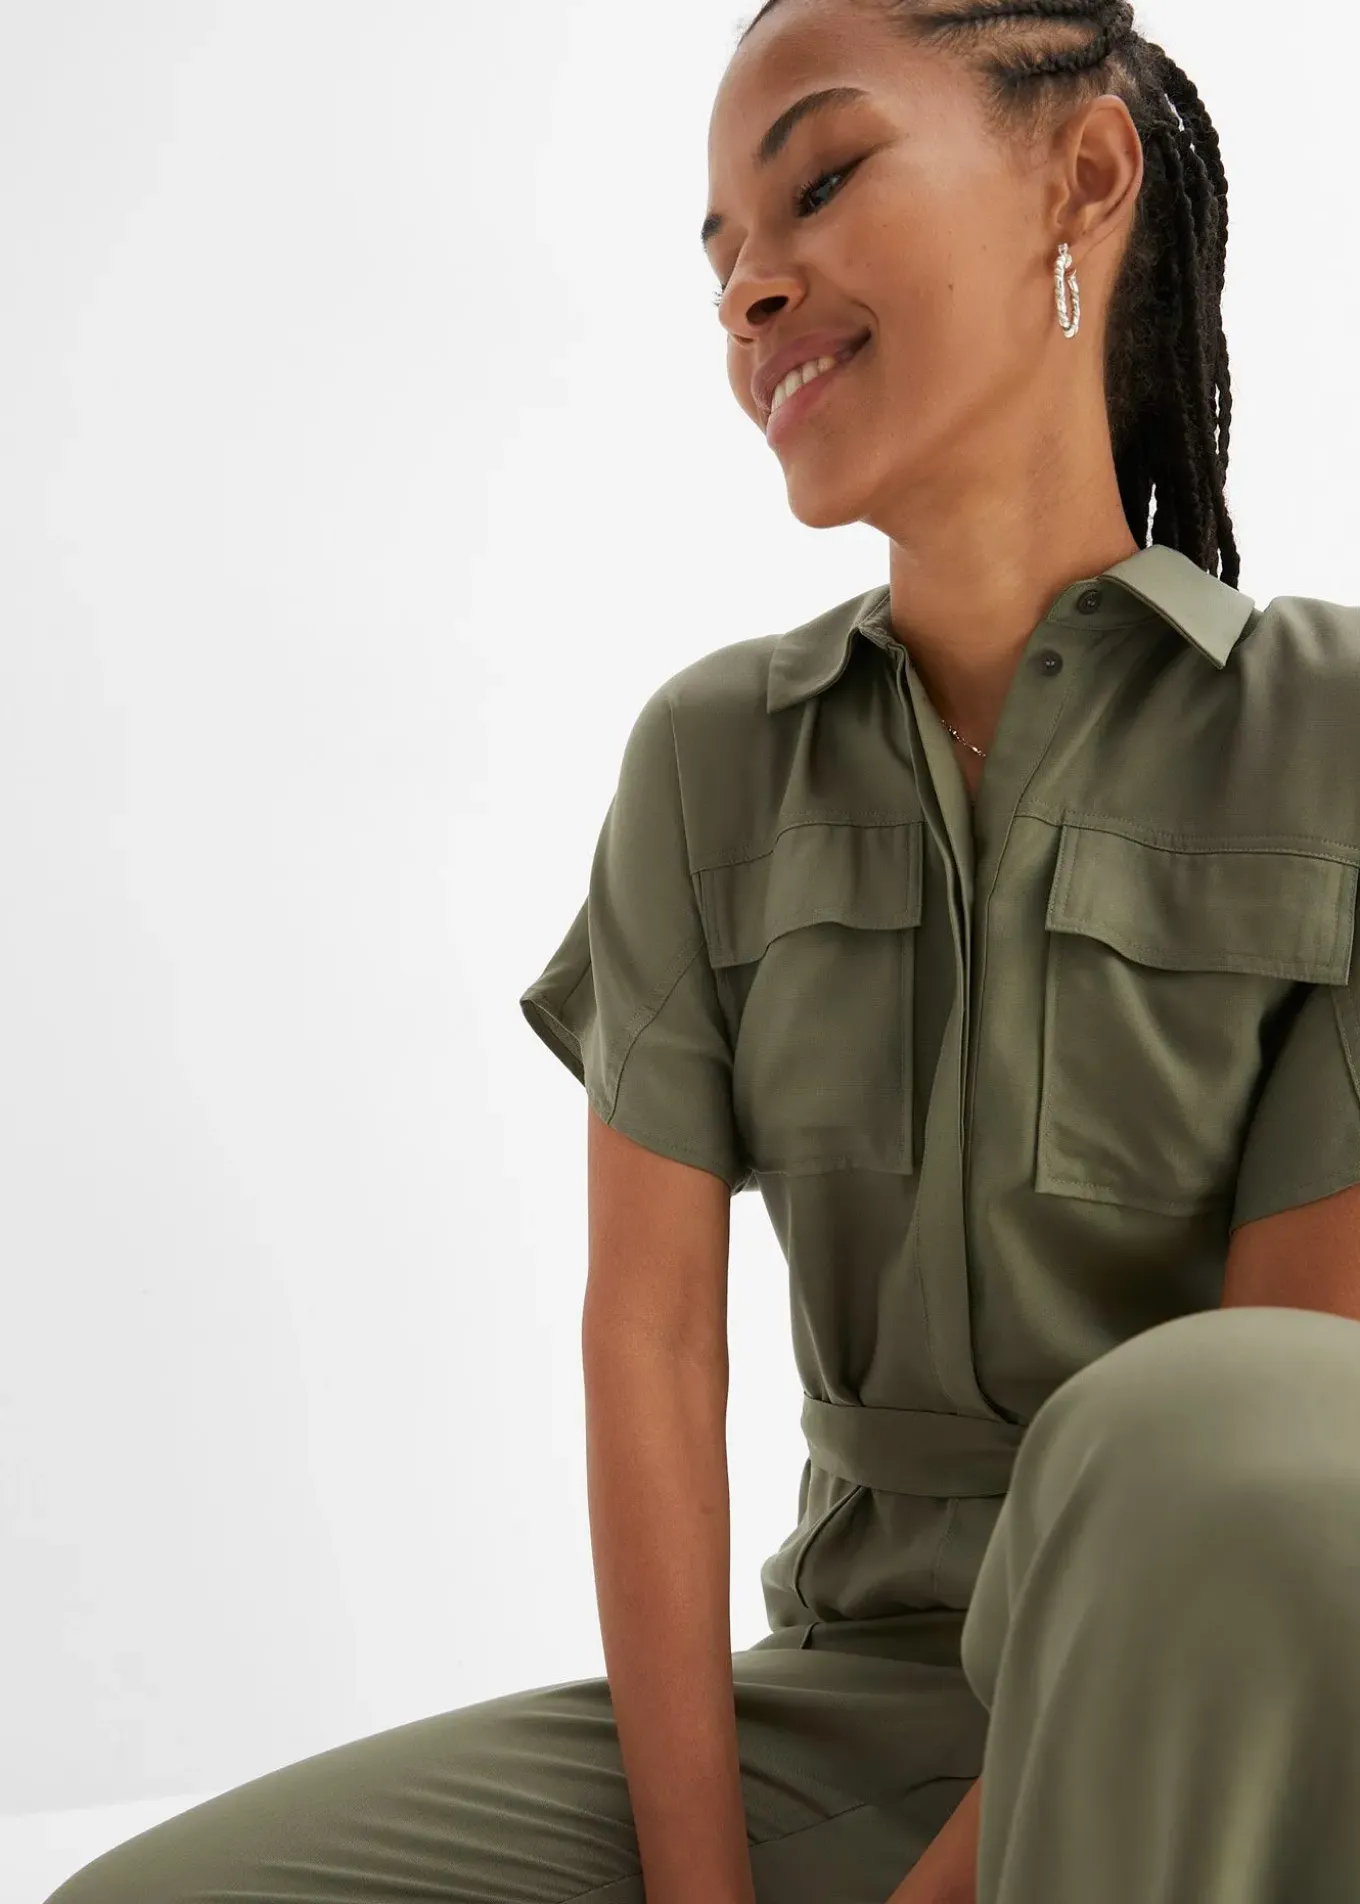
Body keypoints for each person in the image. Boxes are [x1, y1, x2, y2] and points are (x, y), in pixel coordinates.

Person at [45, 3, 1360, 1902]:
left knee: (1194, 1418)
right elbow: (649, 1344)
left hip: (1241, 1689)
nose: (751, 290)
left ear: (1082, 179)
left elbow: (1289, 1408)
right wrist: (700, 1883)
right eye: (722, 251)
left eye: (820, 183)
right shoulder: (711, 761)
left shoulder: (1331, 734)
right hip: (853, 1698)